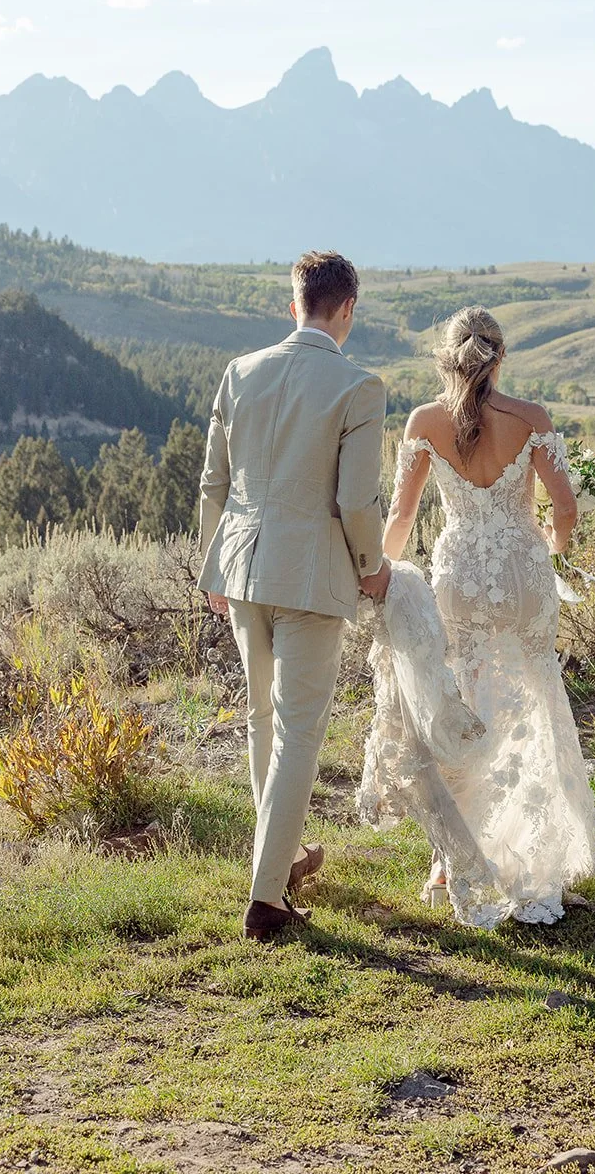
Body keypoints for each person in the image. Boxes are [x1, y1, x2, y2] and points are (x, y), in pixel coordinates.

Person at [379, 306, 595, 926]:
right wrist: (550, 550)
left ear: (448, 361)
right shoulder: (532, 420)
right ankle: (531, 849)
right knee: (532, 693)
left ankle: (458, 857)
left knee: (466, 700)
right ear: (499, 358)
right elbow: (565, 510)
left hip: (458, 577)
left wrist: (382, 579)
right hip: (521, 573)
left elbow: (399, 521)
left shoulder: (424, 422)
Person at [198, 250, 390, 942]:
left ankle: (278, 866)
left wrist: (211, 570)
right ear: (346, 311)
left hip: (242, 568)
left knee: (261, 721)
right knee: (299, 731)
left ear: (294, 305)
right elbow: (355, 498)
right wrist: (372, 565)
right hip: (311, 575)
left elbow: (212, 485)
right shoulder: (358, 387)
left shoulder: (239, 372)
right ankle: (266, 899)